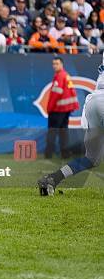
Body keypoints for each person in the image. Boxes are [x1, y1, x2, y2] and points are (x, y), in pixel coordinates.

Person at [38, 53, 104, 195]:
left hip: (93, 102)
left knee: (92, 159)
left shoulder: (61, 76)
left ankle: (53, 179)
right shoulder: (62, 76)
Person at [44, 57, 79, 159]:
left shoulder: (59, 77)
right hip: (66, 110)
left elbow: (55, 94)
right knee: (63, 132)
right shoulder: (66, 76)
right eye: (53, 64)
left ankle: (48, 154)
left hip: (57, 109)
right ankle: (65, 153)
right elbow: (72, 91)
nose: (55, 66)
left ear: (62, 64)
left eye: (57, 64)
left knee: (52, 131)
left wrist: (49, 108)